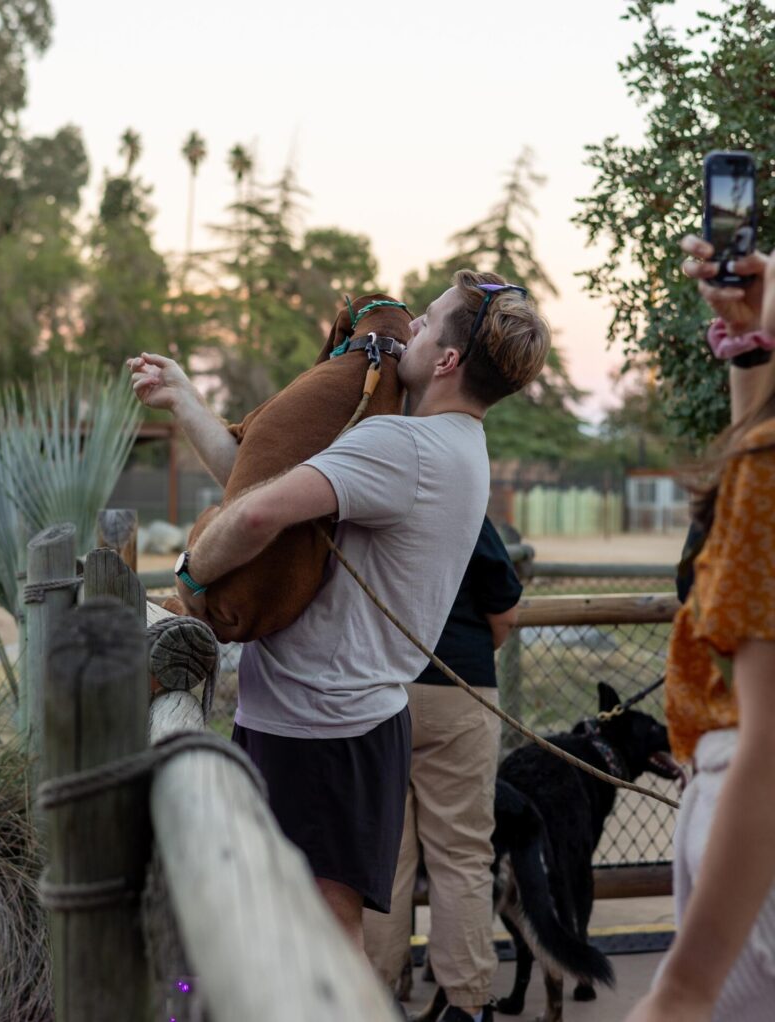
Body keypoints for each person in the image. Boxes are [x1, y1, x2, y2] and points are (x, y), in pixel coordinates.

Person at [127, 271, 551, 959]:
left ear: (446, 360)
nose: (412, 327)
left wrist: (191, 581)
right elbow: (258, 484)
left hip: (319, 727)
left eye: (428, 319)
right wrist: (185, 401)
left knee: (319, 939)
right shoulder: (456, 448)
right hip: (344, 721)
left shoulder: (404, 449)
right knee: (307, 932)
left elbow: (257, 514)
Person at [623, 236, 775, 1022]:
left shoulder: (765, 465)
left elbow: (770, 752)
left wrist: (683, 988)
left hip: (749, 832)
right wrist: (752, 342)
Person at [362, 515, 521, 1022]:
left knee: (380, 855)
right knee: (463, 852)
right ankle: (467, 1002)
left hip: (374, 687)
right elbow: (504, 612)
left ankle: (372, 995)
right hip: (462, 683)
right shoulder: (464, 497)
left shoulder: (362, 496)